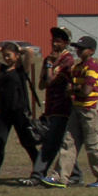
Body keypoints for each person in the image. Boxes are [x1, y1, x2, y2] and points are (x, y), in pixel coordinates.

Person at [47, 36, 98, 188]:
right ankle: (59, 178)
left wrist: (72, 89)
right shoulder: (77, 68)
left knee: (93, 145)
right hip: (77, 109)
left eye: (82, 48)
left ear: (91, 51)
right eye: (77, 47)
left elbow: (86, 91)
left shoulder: (92, 67)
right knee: (68, 143)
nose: (78, 50)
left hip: (89, 110)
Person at [0, 42, 43, 185]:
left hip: (20, 111)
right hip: (4, 113)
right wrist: (3, 47)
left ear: (17, 56)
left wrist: (18, 49)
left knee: (27, 143)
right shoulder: (2, 68)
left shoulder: (22, 70)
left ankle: (40, 172)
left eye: (9, 55)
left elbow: (29, 52)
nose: (6, 58)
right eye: (4, 55)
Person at [35, 27, 79, 186]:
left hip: (63, 107)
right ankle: (75, 174)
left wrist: (48, 65)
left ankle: (37, 174)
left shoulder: (67, 60)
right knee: (60, 141)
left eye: (59, 41)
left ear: (66, 43)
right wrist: (47, 65)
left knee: (53, 140)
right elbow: (41, 84)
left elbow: (52, 81)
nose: (54, 43)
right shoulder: (51, 59)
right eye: (53, 40)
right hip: (51, 107)